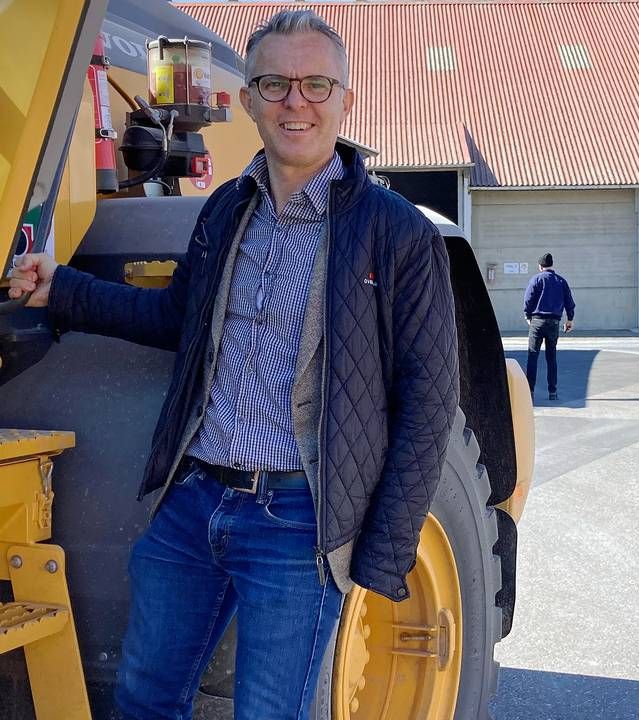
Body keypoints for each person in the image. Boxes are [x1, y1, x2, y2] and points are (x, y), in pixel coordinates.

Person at [9, 10, 458, 719]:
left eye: (316, 84)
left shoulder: (395, 233)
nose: (295, 103)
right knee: (144, 699)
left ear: (347, 100)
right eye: (275, 84)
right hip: (193, 504)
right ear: (246, 100)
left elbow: (428, 402)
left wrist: (382, 551)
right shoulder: (225, 211)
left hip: (298, 522)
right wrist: (61, 288)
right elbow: (170, 320)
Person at [523, 252, 575, 401]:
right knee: (551, 358)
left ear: (540, 266)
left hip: (537, 322)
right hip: (554, 322)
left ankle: (530, 392)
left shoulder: (536, 279)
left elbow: (528, 300)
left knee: (533, 356)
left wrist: (528, 316)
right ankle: (553, 392)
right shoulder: (561, 281)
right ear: (551, 266)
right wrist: (569, 319)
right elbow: (569, 302)